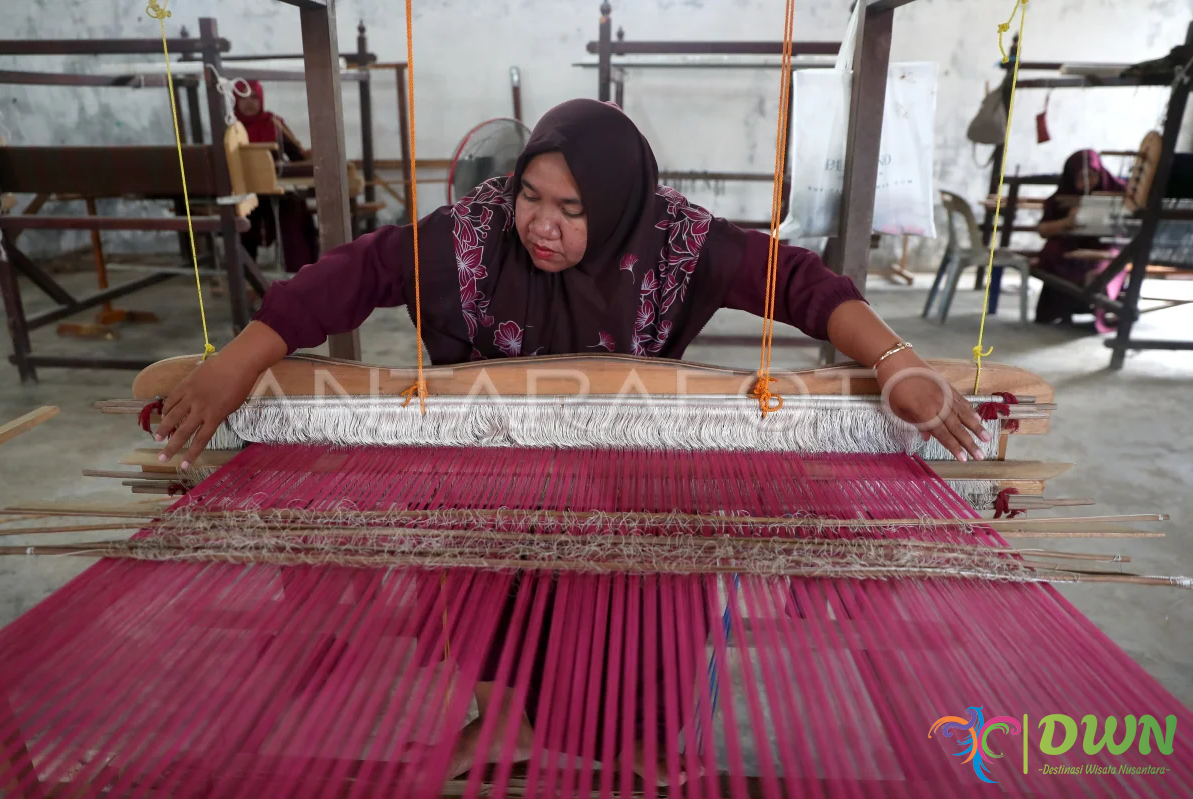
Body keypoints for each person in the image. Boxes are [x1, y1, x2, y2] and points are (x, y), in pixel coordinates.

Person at [153, 99, 990, 782]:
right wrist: (237, 363)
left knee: (661, 569)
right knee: (482, 554)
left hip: (630, 461)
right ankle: (504, 719)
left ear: (619, 204)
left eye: (570, 208)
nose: (539, 226)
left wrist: (894, 361)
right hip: (495, 464)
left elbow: (800, 280)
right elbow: (359, 273)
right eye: (530, 196)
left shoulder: (672, 242)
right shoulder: (475, 238)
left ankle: (639, 737)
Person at [1034, 149, 1128, 332]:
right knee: (1053, 252)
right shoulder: (1060, 197)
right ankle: (1065, 306)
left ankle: (1100, 300)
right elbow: (1043, 230)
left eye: (1092, 175)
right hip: (1069, 246)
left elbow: (1133, 222)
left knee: (1110, 263)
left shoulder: (1118, 191)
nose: (1086, 182)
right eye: (1080, 178)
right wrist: (1067, 222)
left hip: (1106, 245)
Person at [235, 80, 320, 273]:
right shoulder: (230, 129)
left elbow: (296, 156)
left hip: (276, 193)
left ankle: (301, 275)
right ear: (235, 100)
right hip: (245, 194)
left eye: (254, 97)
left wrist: (309, 155)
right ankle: (246, 279)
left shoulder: (273, 123)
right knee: (240, 218)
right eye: (243, 97)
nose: (249, 103)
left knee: (294, 214)